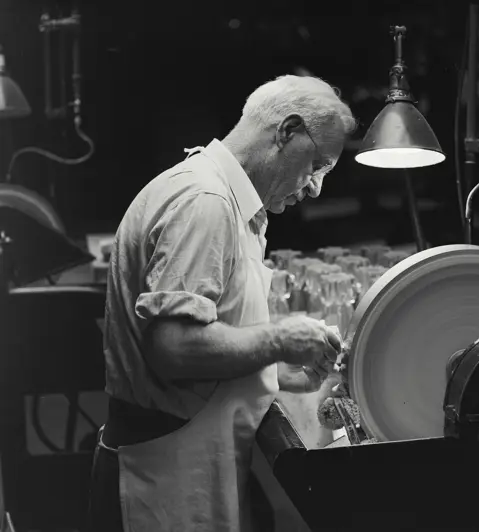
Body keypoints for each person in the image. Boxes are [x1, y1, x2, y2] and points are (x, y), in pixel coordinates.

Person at [87, 75, 356, 532]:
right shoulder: (206, 202)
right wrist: (278, 338)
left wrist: (274, 372)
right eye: (317, 165)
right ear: (287, 131)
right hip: (163, 473)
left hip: (184, 459)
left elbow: (213, 330)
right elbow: (174, 348)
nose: (315, 189)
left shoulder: (229, 199)